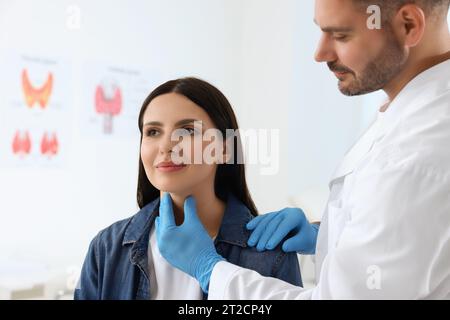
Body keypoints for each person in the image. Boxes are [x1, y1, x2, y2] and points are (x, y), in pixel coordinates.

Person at [156, 0, 450, 299]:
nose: (319, 53)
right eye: (152, 131)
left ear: (408, 25)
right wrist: (328, 236)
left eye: (340, 35)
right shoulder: (410, 113)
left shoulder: (413, 153)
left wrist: (211, 270)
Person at [74, 77, 302, 300]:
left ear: (224, 149)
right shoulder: (106, 248)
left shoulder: (272, 254)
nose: (165, 146)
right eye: (153, 132)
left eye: (187, 131)